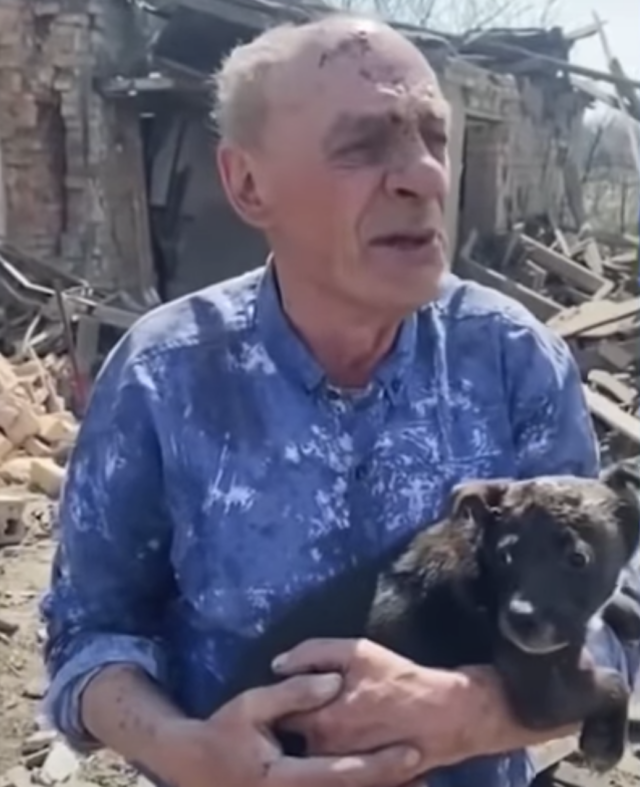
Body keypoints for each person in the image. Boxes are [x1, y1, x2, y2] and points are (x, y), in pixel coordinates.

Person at [40, 14, 640, 787]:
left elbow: (610, 608)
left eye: (434, 137)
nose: (422, 174)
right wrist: (191, 752)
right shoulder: (165, 376)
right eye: (364, 145)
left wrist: (470, 712)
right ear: (248, 184)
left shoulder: (512, 358)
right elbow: (88, 633)